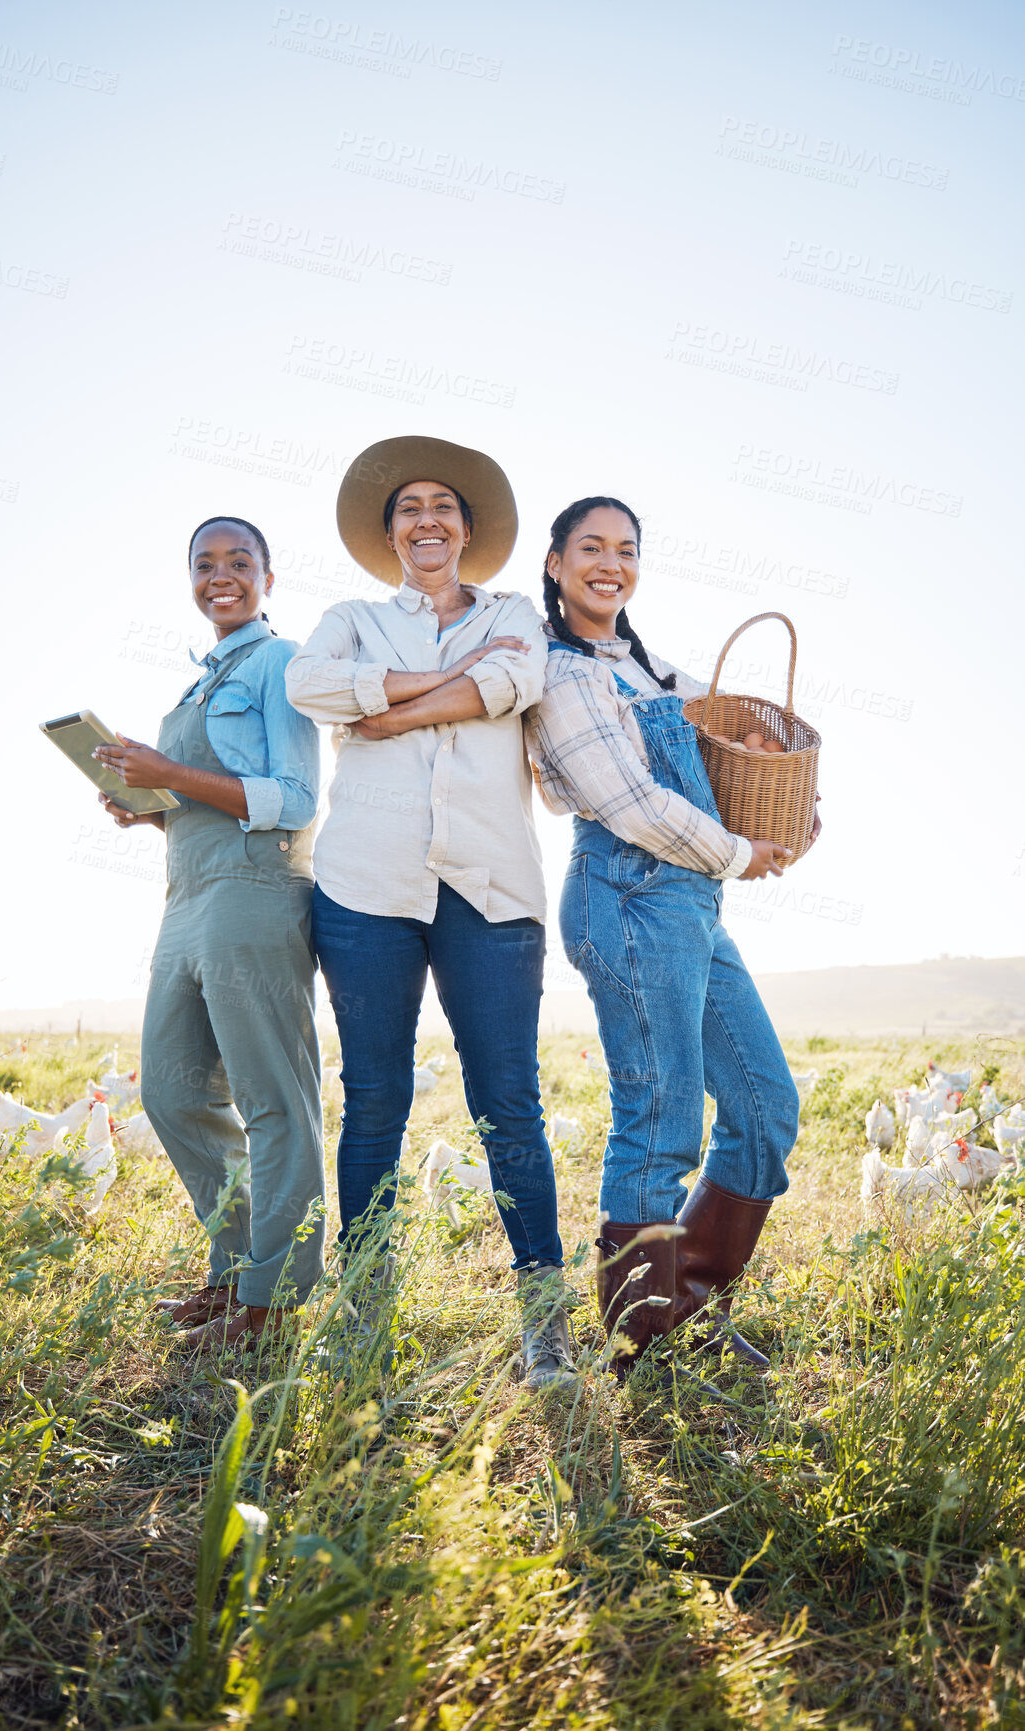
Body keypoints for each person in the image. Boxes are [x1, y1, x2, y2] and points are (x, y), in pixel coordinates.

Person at [285, 435, 573, 1392]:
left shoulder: (513, 614)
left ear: (467, 527)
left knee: (508, 1106)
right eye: (408, 507)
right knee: (373, 1103)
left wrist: (392, 714)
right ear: (389, 531)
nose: (427, 520)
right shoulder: (352, 616)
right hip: (367, 888)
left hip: (491, 890)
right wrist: (430, 687)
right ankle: (364, 1312)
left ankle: (545, 1327)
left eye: (443, 505)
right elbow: (307, 685)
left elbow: (514, 680)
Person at [526, 496, 818, 1378]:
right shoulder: (562, 672)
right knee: (658, 1122)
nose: (608, 563)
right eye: (590, 548)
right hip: (625, 894)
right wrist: (739, 851)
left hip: (687, 903)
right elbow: (632, 805)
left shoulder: (650, 669)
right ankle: (639, 1345)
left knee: (765, 1108)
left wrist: (786, 784)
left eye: (625, 549)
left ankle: (684, 1306)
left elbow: (731, 726)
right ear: (554, 563)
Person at [94, 515, 324, 1349]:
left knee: (272, 1100)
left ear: (268, 576)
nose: (220, 574)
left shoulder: (281, 663)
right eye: (204, 563)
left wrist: (172, 773)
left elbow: (295, 798)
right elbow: (206, 804)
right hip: (185, 892)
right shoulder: (192, 687)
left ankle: (272, 1300)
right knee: (172, 1088)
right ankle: (234, 1271)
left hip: (255, 891)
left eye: (239, 561)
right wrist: (148, 807)